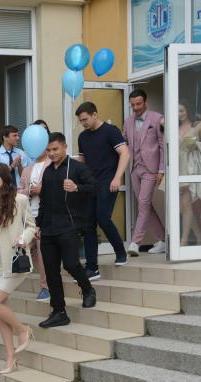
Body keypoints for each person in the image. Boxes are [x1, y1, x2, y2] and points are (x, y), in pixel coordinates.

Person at [0, 163, 37, 374]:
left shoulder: (19, 199)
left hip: (13, 258)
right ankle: (11, 359)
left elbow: (31, 226)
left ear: (5, 177)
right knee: (0, 311)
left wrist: (24, 238)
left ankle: (23, 330)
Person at [36, 133, 96, 328]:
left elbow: (94, 188)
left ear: (65, 147)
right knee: (51, 272)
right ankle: (59, 312)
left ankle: (87, 289)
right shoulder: (47, 172)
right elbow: (43, 201)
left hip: (69, 225)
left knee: (71, 264)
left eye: (55, 149)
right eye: (48, 150)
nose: (52, 153)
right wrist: (38, 224)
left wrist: (77, 187)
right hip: (48, 228)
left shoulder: (77, 168)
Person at [76, 101, 131, 278]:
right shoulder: (82, 137)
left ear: (95, 114)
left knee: (103, 218)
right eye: (80, 121)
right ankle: (92, 267)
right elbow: (82, 161)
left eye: (85, 119)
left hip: (108, 182)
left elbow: (125, 153)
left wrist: (117, 177)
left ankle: (120, 252)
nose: (83, 123)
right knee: (88, 224)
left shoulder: (110, 131)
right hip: (90, 185)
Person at [123, 89, 166, 256]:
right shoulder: (128, 121)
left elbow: (163, 146)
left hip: (151, 168)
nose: (136, 107)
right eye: (133, 105)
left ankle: (135, 242)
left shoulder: (157, 118)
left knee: (143, 202)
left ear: (145, 102)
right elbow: (124, 140)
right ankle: (162, 240)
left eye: (139, 104)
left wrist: (161, 169)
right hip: (134, 168)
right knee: (145, 204)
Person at [18, 124, 51, 302]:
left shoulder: (52, 165)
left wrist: (42, 190)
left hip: (45, 216)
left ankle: (45, 287)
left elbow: (57, 189)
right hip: (29, 215)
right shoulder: (27, 169)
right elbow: (19, 191)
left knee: (43, 252)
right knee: (27, 249)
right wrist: (29, 191)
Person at [178, 99, 201, 246]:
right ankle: (198, 235)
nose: (179, 114)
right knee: (182, 207)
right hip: (179, 168)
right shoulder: (174, 127)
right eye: (176, 111)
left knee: (186, 204)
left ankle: (184, 241)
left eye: (182, 110)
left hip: (193, 169)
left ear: (188, 110)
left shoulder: (200, 125)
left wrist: (196, 146)